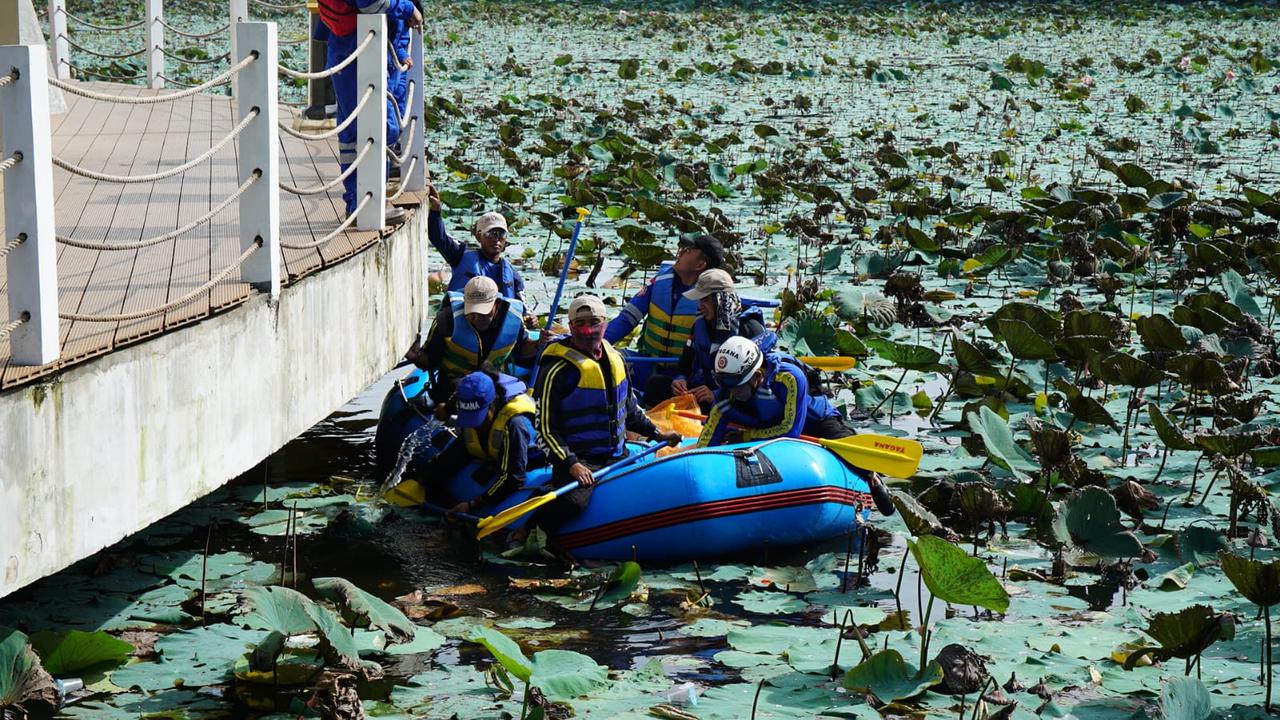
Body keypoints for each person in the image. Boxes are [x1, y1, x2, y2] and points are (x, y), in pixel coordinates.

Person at [531, 295, 681, 534]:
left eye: (595, 322)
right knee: (574, 504)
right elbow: (546, 429)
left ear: (606, 324)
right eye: (580, 324)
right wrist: (572, 465)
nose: (588, 330)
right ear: (570, 327)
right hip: (580, 458)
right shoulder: (556, 370)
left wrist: (657, 433)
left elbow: (629, 409)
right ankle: (529, 528)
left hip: (616, 454)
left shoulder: (616, 359)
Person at [697, 337, 894, 514]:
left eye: (737, 384)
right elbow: (706, 441)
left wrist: (746, 437)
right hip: (765, 425)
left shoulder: (789, 377)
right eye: (726, 384)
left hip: (813, 423)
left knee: (845, 446)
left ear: (757, 376)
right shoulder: (726, 395)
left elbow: (790, 431)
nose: (732, 391)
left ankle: (873, 479)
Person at [317, 0, 419, 224]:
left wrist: (400, 50)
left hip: (351, 48)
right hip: (360, 48)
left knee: (354, 133)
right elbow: (370, 4)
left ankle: (359, 204)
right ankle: (366, 206)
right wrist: (408, 9)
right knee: (379, 128)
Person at [403, 276, 537, 411]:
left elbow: (522, 349)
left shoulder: (512, 318)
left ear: (497, 304)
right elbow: (430, 360)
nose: (477, 318)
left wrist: (539, 344)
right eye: (472, 312)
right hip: (454, 387)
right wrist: (416, 357)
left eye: (483, 312)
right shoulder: (447, 320)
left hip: (494, 382)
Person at [605, 235, 724, 383]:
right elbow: (627, 318)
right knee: (609, 361)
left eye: (688, 250)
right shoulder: (660, 281)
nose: (680, 252)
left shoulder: (711, 299)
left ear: (700, 265)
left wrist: (685, 377)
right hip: (649, 365)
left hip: (688, 375)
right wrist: (599, 344)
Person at [641, 268, 766, 409]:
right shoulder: (699, 324)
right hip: (699, 389)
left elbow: (758, 381)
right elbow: (685, 364)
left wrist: (716, 394)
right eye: (700, 300)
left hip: (732, 395)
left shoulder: (750, 328)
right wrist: (680, 380)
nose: (700, 305)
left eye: (705, 300)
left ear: (720, 299)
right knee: (655, 383)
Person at [433, 371, 542, 517]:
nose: (476, 426)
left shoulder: (515, 425)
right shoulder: (468, 403)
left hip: (528, 462)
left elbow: (515, 478)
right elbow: (455, 452)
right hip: (492, 454)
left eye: (478, 418)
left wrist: (473, 503)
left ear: (492, 405)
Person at [425, 186, 526, 302]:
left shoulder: (512, 274)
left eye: (501, 234)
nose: (496, 239)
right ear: (478, 236)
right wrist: (436, 211)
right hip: (464, 316)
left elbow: (523, 307)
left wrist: (530, 318)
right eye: (490, 234)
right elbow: (438, 237)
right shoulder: (460, 254)